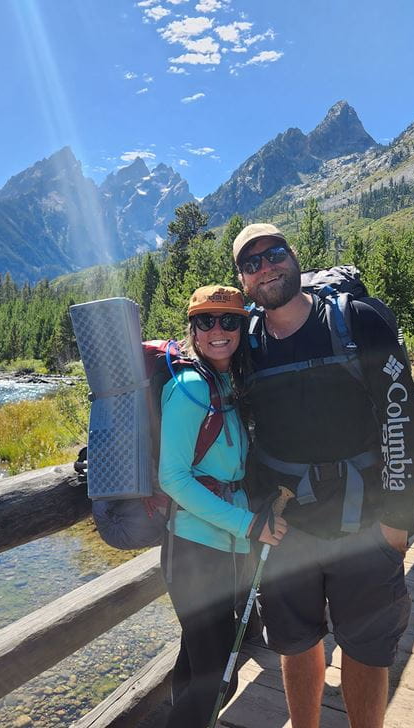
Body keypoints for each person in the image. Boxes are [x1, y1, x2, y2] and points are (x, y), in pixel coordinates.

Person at [232, 223, 414, 728]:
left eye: (273, 254)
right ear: (243, 281)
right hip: (287, 528)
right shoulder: (245, 345)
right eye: (251, 264)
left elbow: (402, 415)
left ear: (293, 256)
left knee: (367, 648)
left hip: (366, 520)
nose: (265, 267)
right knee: (297, 643)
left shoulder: (357, 322)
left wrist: (398, 521)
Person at [158, 284, 288, 728]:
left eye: (229, 321)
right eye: (206, 321)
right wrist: (247, 524)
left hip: (226, 547)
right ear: (192, 329)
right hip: (194, 551)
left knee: (197, 665)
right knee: (218, 679)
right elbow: (172, 477)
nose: (218, 330)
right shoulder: (190, 388)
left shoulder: (229, 382)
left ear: (241, 327)